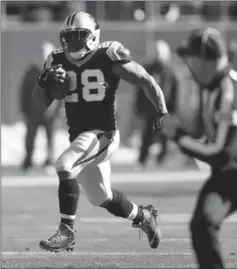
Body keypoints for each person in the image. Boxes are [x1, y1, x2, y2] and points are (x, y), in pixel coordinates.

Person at [32, 11, 168, 252]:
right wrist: (44, 80)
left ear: (93, 36)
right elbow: (41, 103)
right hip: (81, 137)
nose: (73, 42)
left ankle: (67, 231)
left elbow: (145, 79)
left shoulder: (108, 55)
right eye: (69, 36)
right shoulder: (56, 60)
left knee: (65, 164)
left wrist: (161, 110)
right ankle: (144, 216)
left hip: (103, 133)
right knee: (101, 198)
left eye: (79, 36)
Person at [162, 27, 237, 269]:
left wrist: (177, 136)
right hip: (234, 171)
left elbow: (222, 154)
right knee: (202, 224)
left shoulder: (230, 90)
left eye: (191, 58)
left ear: (203, 60)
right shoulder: (216, 86)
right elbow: (212, 136)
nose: (188, 64)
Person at [135, 40, 178, 167]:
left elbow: (174, 90)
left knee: (165, 135)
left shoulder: (169, 71)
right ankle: (142, 160)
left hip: (164, 110)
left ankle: (162, 159)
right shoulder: (147, 69)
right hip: (150, 109)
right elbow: (140, 89)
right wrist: (139, 106)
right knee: (147, 135)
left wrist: (173, 108)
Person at [20, 41, 61, 174]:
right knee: (30, 137)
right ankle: (28, 161)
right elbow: (24, 91)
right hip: (33, 112)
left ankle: (49, 161)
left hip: (50, 112)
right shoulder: (32, 71)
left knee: (50, 138)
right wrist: (24, 109)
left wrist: (58, 110)